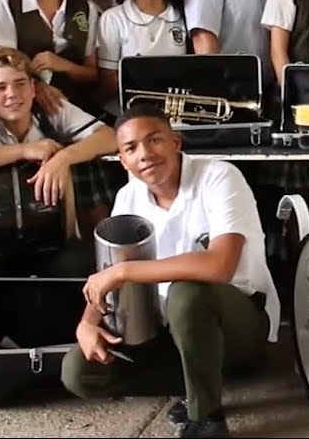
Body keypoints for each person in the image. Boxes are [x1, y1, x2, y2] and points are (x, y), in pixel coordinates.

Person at [60, 105, 279, 439]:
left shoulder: (219, 177)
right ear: (123, 160)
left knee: (187, 291)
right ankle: (197, 381)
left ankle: (206, 417)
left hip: (238, 323)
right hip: (169, 329)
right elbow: (108, 276)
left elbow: (220, 266)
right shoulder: (128, 196)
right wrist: (87, 323)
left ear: (176, 143)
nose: (145, 154)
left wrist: (126, 271)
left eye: (155, 140)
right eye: (131, 148)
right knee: (78, 372)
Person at [0, 47, 118, 350]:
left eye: (21, 84)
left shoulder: (51, 111)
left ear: (34, 88)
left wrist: (63, 158)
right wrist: (24, 151)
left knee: (76, 267)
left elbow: (110, 138)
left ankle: (56, 335)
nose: (12, 94)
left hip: (49, 236)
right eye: (0, 87)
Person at [95, 0, 189, 119]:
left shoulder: (183, 14)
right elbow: (109, 81)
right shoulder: (113, 19)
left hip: (176, 118)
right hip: (127, 117)